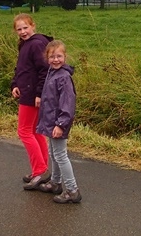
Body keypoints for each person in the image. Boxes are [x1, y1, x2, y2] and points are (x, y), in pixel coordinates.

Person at [36, 40, 82, 203]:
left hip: (58, 123)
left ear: (65, 56)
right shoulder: (51, 72)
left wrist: (61, 125)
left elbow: (67, 103)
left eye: (59, 56)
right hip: (50, 120)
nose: (56, 60)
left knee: (61, 155)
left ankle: (72, 190)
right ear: (47, 58)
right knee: (53, 153)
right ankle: (55, 183)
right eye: (52, 56)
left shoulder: (63, 77)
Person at [11, 13, 52, 190]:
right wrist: (14, 84)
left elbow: (45, 70)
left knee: (24, 132)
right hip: (27, 91)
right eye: (19, 29)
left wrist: (39, 94)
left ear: (33, 26)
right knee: (35, 131)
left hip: (32, 95)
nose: (22, 31)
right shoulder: (26, 44)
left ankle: (39, 170)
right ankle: (42, 169)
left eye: (25, 27)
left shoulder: (36, 44)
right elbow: (21, 68)